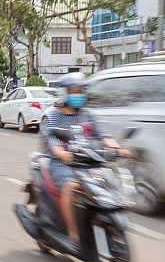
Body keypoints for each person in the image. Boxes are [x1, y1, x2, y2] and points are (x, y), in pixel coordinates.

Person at [40, 72, 123, 252]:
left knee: (109, 185)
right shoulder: (55, 115)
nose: (78, 95)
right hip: (62, 165)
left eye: (81, 91)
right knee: (71, 187)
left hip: (89, 163)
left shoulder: (88, 114)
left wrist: (117, 148)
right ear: (65, 93)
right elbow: (51, 139)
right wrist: (61, 152)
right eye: (74, 91)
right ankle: (74, 236)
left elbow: (103, 136)